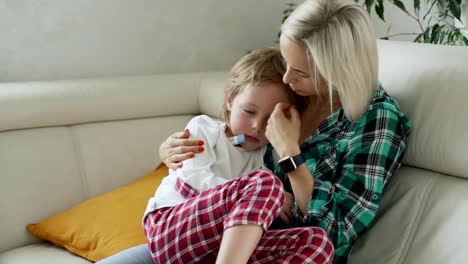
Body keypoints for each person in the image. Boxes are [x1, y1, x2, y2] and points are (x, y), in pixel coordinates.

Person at [158, 0, 412, 263]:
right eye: (286, 61)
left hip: (280, 249)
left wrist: (290, 154)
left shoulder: (376, 119)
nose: (286, 78)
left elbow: (335, 235)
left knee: (316, 242)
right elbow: (230, 137)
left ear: (339, 69)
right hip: (218, 232)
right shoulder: (292, 89)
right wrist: (176, 151)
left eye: (300, 72)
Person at [98, 47, 334, 264]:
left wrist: (274, 198)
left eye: (268, 120)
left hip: (218, 249)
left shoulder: (265, 158)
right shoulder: (204, 129)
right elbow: (191, 178)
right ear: (230, 100)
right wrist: (260, 194)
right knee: (266, 185)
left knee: (318, 242)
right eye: (249, 111)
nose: (255, 126)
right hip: (170, 230)